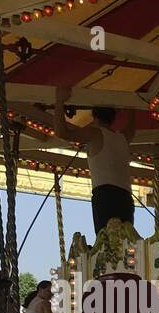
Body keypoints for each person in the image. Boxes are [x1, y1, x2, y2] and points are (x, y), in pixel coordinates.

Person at [54, 89, 136, 235]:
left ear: (94, 116)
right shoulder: (123, 138)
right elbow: (131, 123)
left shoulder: (95, 133)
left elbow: (62, 132)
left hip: (105, 195)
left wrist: (59, 102)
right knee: (125, 240)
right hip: (125, 197)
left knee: (105, 240)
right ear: (113, 118)